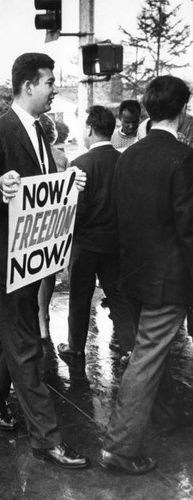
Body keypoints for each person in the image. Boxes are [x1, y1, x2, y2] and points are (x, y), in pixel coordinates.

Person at [0, 52, 90, 470]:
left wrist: (69, 185)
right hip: (6, 262)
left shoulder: (41, 133)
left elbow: (41, 193)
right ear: (29, 86)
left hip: (30, 259)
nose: (55, 87)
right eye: (50, 81)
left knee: (8, 338)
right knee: (26, 348)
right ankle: (46, 440)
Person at [99, 76, 193, 474]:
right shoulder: (184, 159)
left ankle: (168, 412)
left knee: (147, 353)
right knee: (147, 358)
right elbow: (188, 229)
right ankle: (120, 448)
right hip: (168, 281)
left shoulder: (128, 157)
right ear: (183, 110)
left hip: (133, 277)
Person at [57, 106, 136, 369]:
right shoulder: (123, 160)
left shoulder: (80, 164)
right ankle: (130, 347)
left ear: (89, 129)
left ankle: (75, 347)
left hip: (85, 244)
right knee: (117, 295)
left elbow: (76, 210)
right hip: (114, 243)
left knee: (80, 296)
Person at [37, 113, 70, 339]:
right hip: (55, 221)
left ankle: (39, 319)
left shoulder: (29, 155)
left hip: (33, 220)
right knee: (47, 272)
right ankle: (43, 317)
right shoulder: (62, 158)